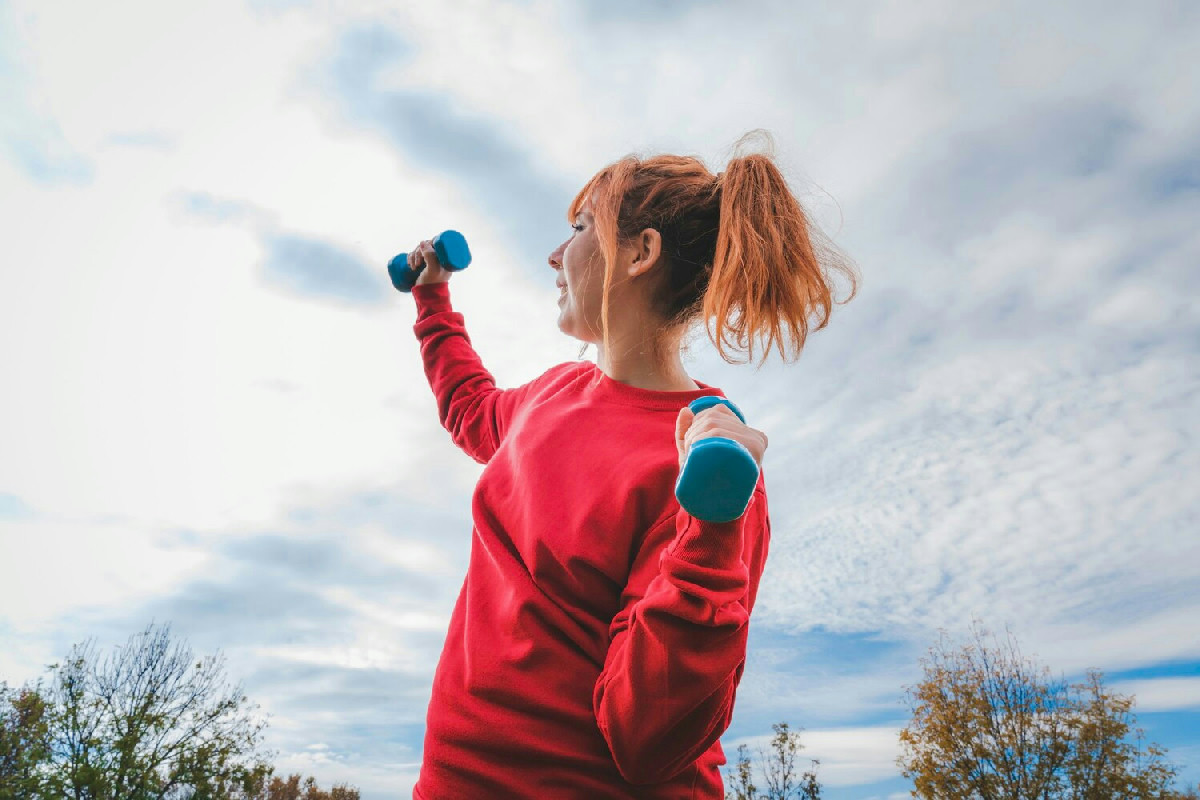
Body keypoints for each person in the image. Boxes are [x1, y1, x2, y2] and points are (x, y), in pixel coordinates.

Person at [405, 131, 858, 799]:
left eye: (582, 227)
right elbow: (472, 410)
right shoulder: (552, 396)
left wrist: (710, 532)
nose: (556, 256)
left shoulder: (707, 461)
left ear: (641, 252)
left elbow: (649, 736)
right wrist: (432, 299)